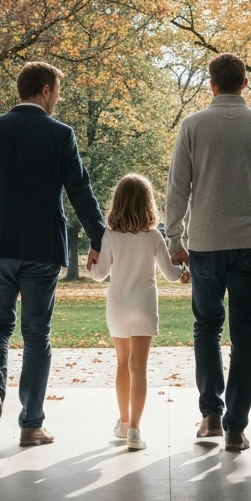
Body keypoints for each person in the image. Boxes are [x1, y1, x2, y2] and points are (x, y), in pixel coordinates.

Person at [0, 62, 105, 447]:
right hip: (42, 249)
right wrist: (99, 239)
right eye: (57, 91)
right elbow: (80, 191)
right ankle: (31, 424)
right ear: (44, 90)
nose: (58, 98)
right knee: (37, 333)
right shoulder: (61, 134)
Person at [165, 53, 251, 452]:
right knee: (244, 334)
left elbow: (177, 189)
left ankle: (210, 416)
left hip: (204, 244)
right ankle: (237, 426)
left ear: (211, 85)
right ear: (244, 84)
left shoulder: (192, 127)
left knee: (206, 327)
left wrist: (174, 239)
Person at [88, 174, 189, 451]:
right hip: (144, 306)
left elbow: (99, 274)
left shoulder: (110, 235)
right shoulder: (154, 236)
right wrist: (182, 267)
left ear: (117, 203)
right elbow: (170, 275)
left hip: (118, 306)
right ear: (148, 204)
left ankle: (122, 422)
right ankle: (135, 430)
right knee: (139, 367)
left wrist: (91, 260)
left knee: (122, 364)